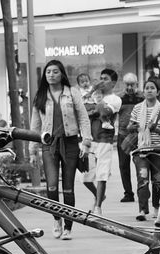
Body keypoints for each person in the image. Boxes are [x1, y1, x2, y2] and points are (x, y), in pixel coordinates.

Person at [29, 59, 92, 241]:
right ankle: (56, 218)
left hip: (70, 142)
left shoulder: (72, 93)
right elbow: (35, 125)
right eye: (48, 72)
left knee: (68, 188)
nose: (51, 75)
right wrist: (32, 149)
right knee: (51, 186)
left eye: (55, 71)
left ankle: (68, 227)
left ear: (62, 74)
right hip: (49, 144)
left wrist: (86, 143)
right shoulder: (40, 96)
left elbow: (83, 118)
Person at [127, 79, 160, 221]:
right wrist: (133, 127)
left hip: (158, 151)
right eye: (146, 88)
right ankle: (142, 209)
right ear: (143, 91)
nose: (149, 90)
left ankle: (156, 208)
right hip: (141, 150)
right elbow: (129, 126)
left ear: (157, 91)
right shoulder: (137, 108)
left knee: (157, 180)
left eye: (152, 88)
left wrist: (156, 129)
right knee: (142, 178)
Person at [82, 81, 119, 216]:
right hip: (90, 142)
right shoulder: (90, 101)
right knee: (85, 178)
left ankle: (98, 207)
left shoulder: (114, 100)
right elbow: (82, 112)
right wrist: (92, 109)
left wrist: (93, 110)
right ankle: (99, 196)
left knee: (101, 175)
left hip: (105, 141)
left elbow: (101, 111)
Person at [116, 73, 143, 203]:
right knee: (123, 165)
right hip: (123, 134)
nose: (130, 87)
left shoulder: (142, 97)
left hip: (139, 135)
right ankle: (128, 193)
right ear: (123, 84)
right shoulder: (119, 98)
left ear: (137, 84)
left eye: (132, 84)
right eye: (127, 84)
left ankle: (142, 191)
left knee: (141, 164)